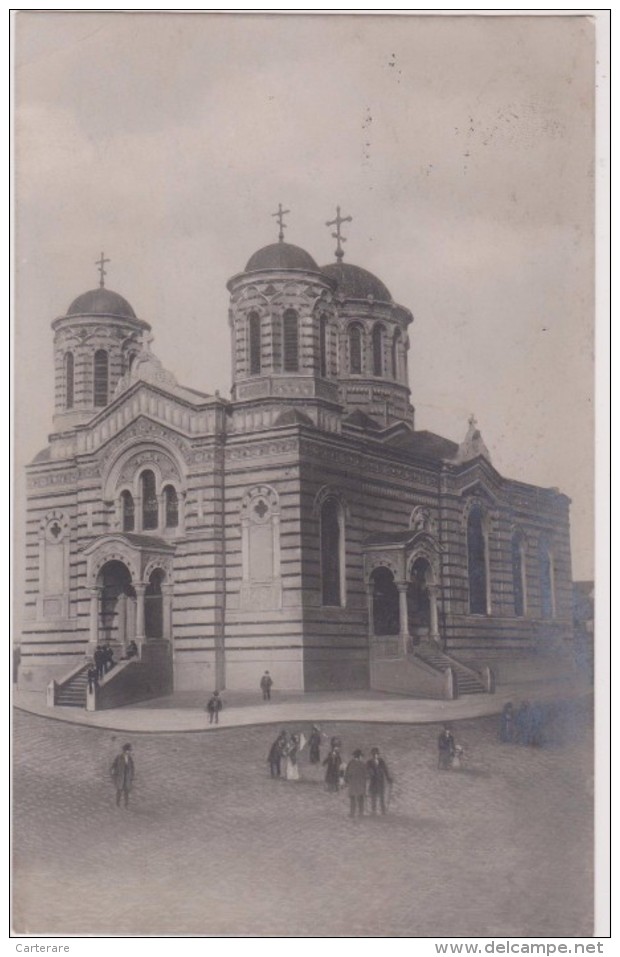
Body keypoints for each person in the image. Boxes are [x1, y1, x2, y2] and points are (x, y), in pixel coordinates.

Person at [366, 747, 393, 815]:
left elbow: (385, 770)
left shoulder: (381, 761)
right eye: (374, 754)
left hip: (380, 782)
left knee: (381, 797)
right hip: (373, 782)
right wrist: (369, 774)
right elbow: (367, 771)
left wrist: (388, 778)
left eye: (376, 754)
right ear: (372, 755)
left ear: (378, 754)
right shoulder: (369, 762)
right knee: (373, 797)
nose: (375, 755)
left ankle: (383, 811)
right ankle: (373, 811)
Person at [110, 743, 135, 808]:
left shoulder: (129, 758)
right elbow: (113, 766)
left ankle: (126, 804)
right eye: (129, 750)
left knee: (126, 791)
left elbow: (132, 767)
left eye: (130, 750)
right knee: (119, 790)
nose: (129, 752)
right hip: (120, 777)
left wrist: (131, 776)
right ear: (125, 750)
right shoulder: (119, 757)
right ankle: (117, 803)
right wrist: (113, 775)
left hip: (127, 778)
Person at [345, 749, 367, 817]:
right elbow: (366, 774)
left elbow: (347, 773)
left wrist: (347, 780)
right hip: (360, 784)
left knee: (353, 798)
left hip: (353, 784)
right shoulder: (362, 764)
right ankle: (360, 813)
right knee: (360, 798)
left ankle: (352, 813)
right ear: (359, 756)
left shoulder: (351, 763)